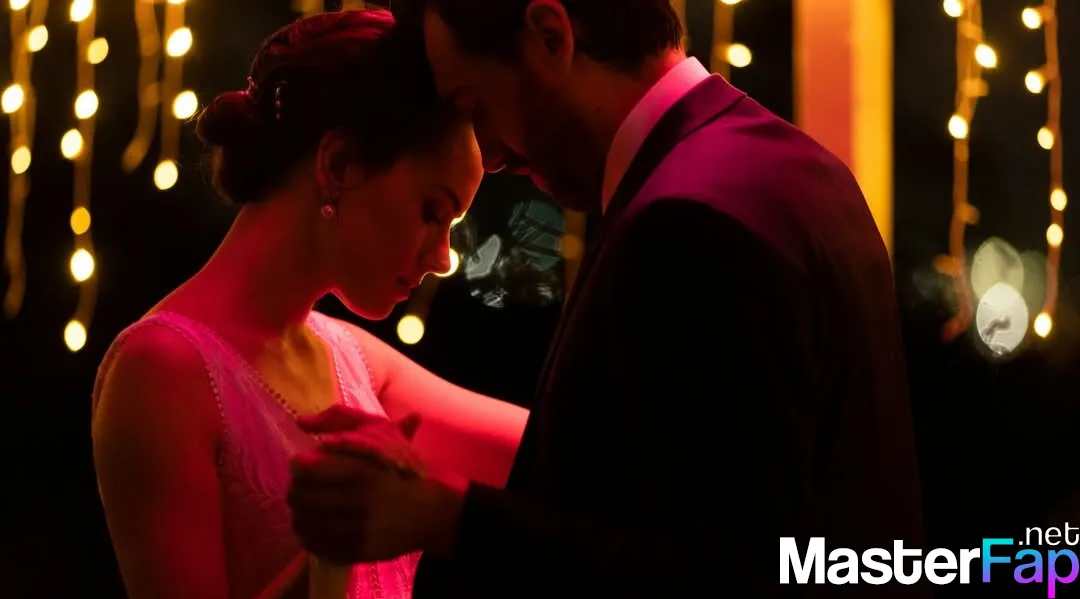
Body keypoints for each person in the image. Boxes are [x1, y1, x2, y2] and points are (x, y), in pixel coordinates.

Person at [287, 0, 929, 597]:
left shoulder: (686, 221)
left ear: (550, 37)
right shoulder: (803, 171)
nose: (493, 153)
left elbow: (723, 570)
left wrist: (448, 517)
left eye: (475, 102)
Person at [90, 9, 528, 599]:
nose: (444, 257)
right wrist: (329, 550)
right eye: (433, 211)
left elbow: (562, 452)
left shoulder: (353, 361)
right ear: (338, 165)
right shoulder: (162, 369)